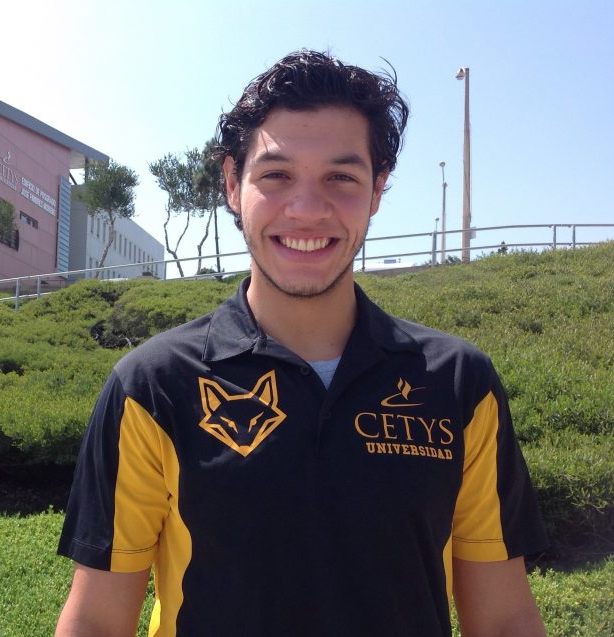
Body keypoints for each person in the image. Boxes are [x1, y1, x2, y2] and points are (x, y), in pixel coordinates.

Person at [56, 49, 548, 637]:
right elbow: (95, 622)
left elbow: (504, 619)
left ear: (377, 191)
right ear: (234, 185)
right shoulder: (152, 386)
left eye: (341, 177)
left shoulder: (458, 383)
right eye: (277, 175)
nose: (308, 209)